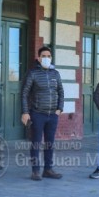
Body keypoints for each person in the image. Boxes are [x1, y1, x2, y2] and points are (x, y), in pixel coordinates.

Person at [21, 46, 65, 181]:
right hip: (37, 114)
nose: (46, 58)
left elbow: (61, 92)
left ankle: (48, 169)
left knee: (50, 143)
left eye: (49, 56)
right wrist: (25, 112)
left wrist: (59, 109)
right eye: (44, 56)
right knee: (36, 143)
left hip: (52, 115)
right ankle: (35, 171)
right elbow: (24, 93)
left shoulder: (55, 74)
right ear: (39, 58)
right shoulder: (32, 73)